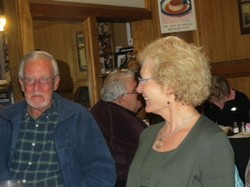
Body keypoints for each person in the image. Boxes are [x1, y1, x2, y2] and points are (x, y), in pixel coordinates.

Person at [126, 36, 235, 187]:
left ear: (170, 83)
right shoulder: (148, 135)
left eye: (143, 80)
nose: (138, 89)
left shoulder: (211, 141)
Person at [0, 51, 116, 187]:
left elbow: (103, 171)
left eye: (44, 80)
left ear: (56, 83)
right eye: (29, 80)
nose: (36, 87)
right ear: (21, 83)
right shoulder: (5, 119)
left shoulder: (77, 117)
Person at [90, 69, 148, 187]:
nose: (140, 93)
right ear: (120, 97)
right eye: (135, 90)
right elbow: (145, 156)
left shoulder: (102, 109)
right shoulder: (119, 120)